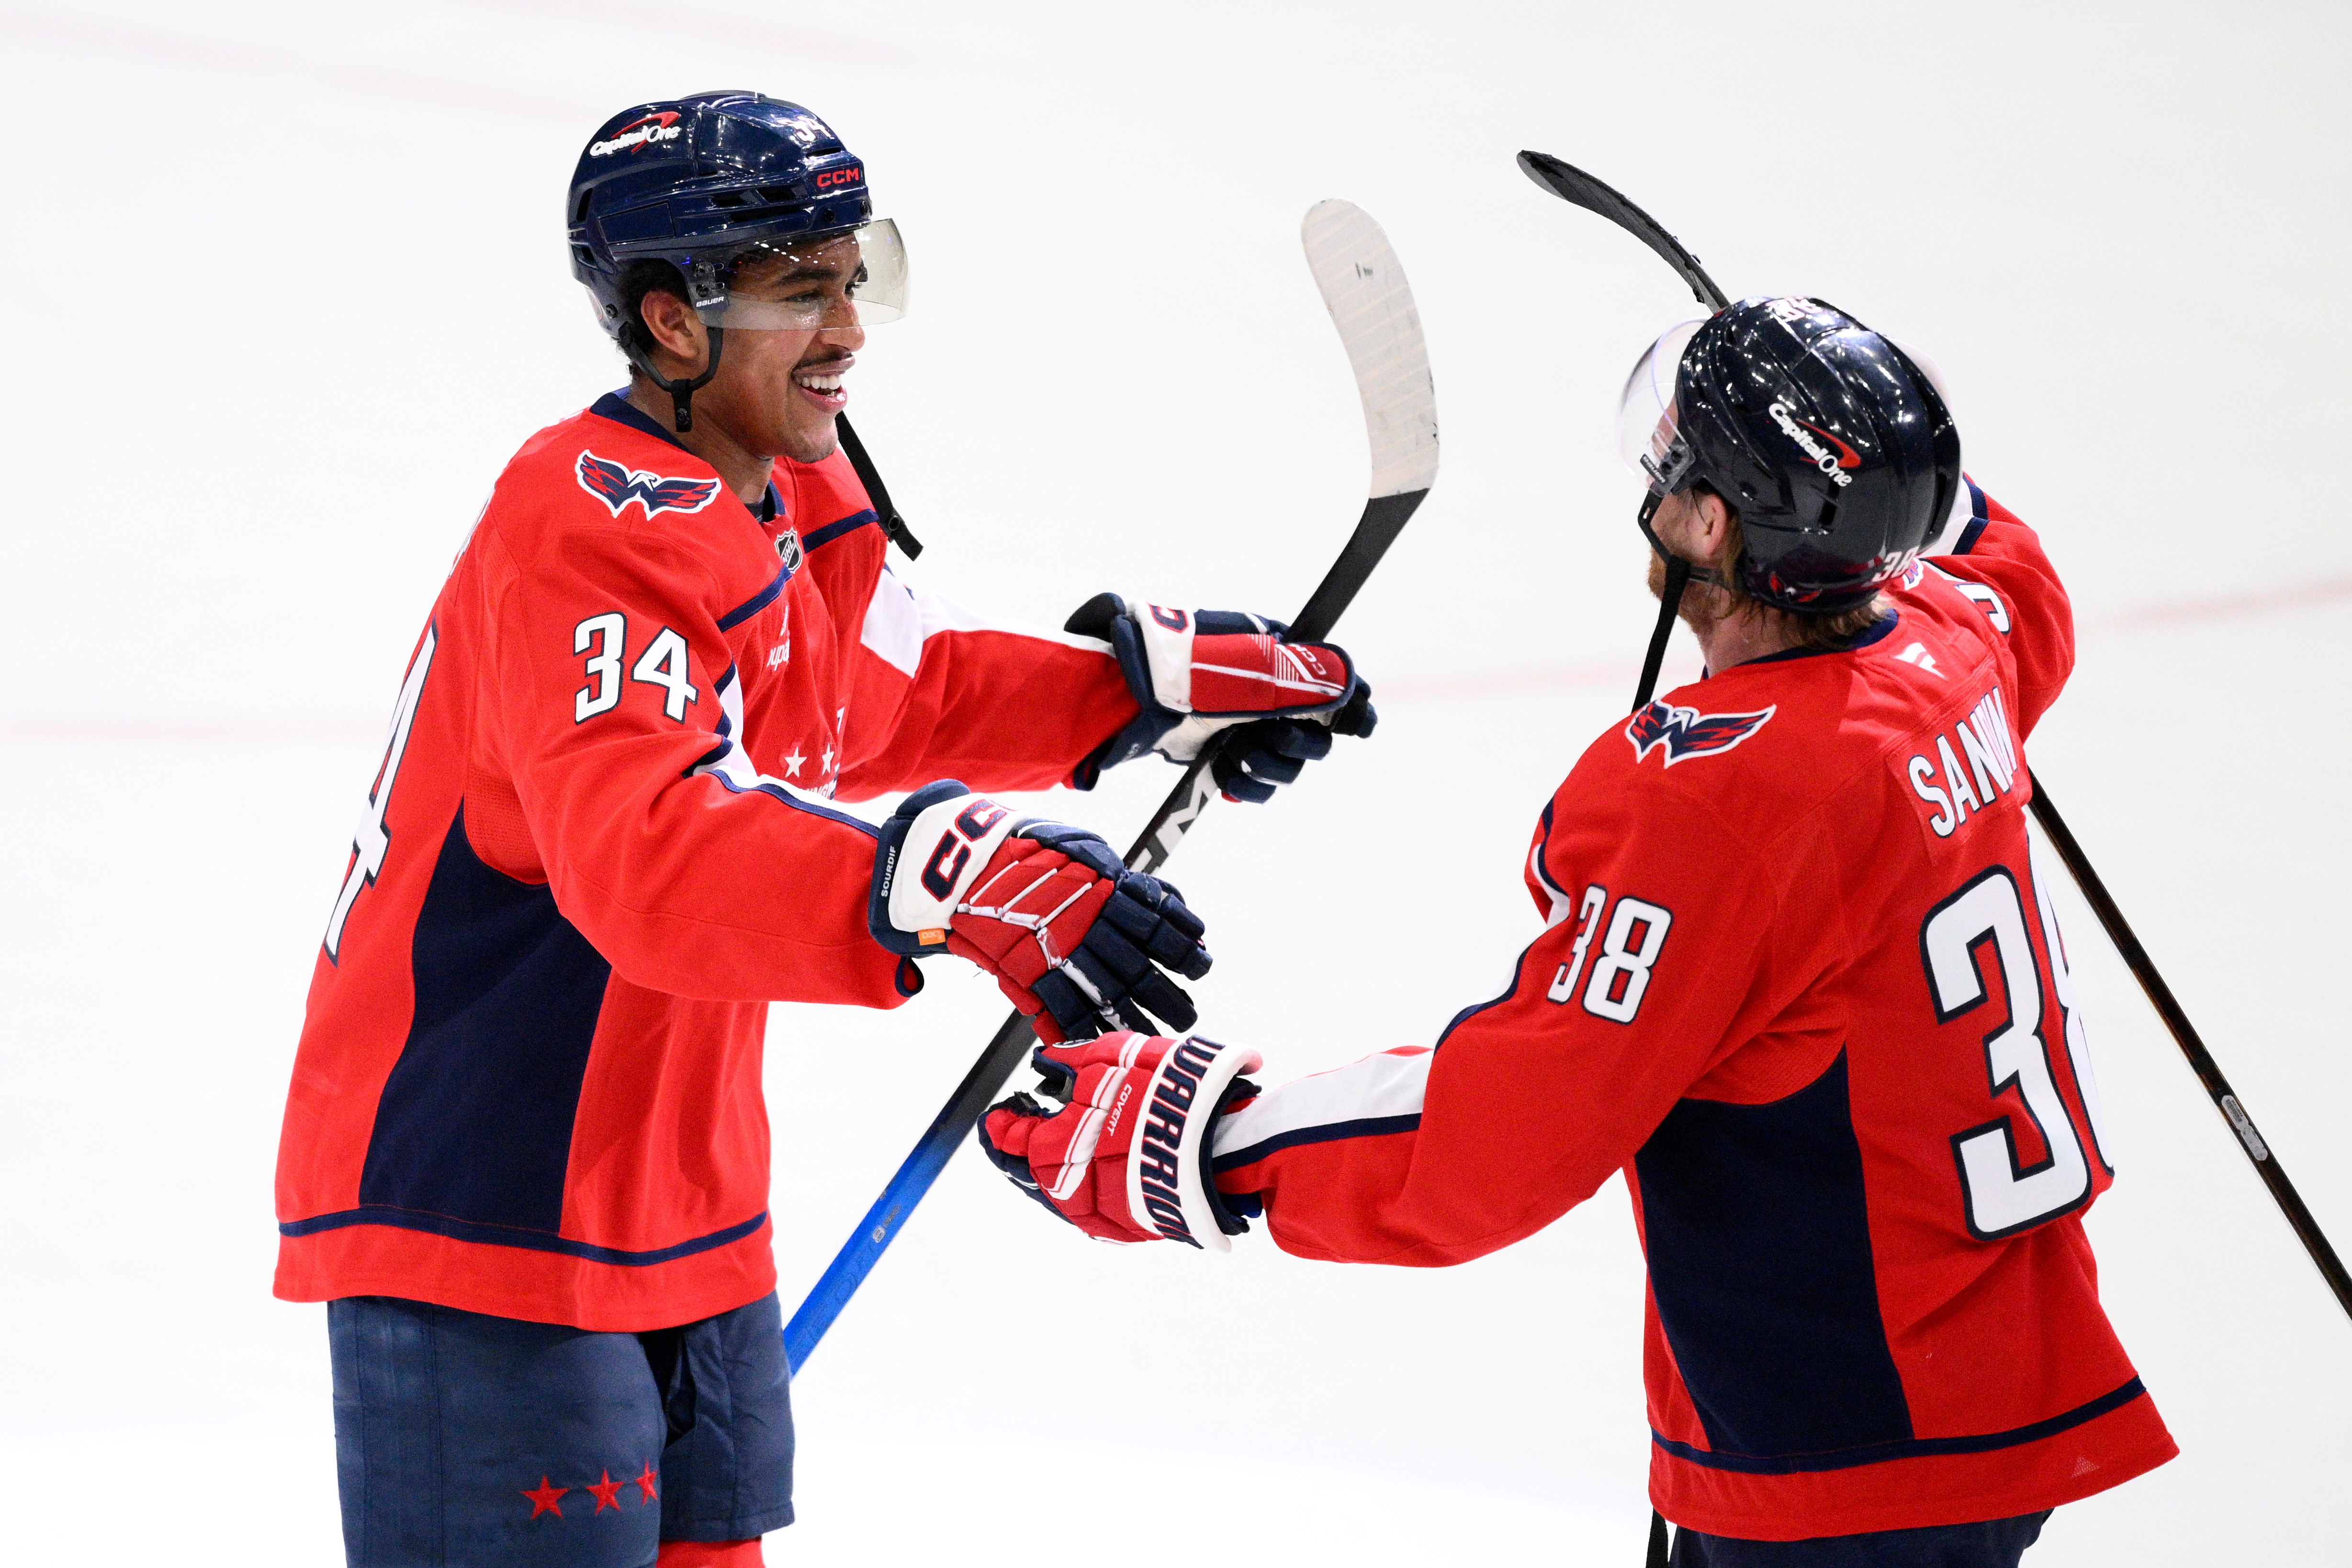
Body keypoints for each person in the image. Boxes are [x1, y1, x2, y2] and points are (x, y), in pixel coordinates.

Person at [273, 90, 1373, 1568]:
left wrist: (1127, 700)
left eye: (857, 276)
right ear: (671, 322)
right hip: (483, 1199)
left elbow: (864, 704)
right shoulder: (585, 518)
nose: (849, 327)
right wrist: (945, 876)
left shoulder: (795, 479)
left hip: (675, 1196)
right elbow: (644, 853)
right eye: (802, 291)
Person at [979, 297, 2177, 1565]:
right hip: (1981, 1369)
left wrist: (1216, 1134)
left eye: (1674, 467)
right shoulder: (1950, 652)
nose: (1652, 488)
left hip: (1849, 1446)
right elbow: (2008, 571)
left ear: (1714, 522)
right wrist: (1851, 420)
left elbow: (1509, 1130)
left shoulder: (1724, 802)